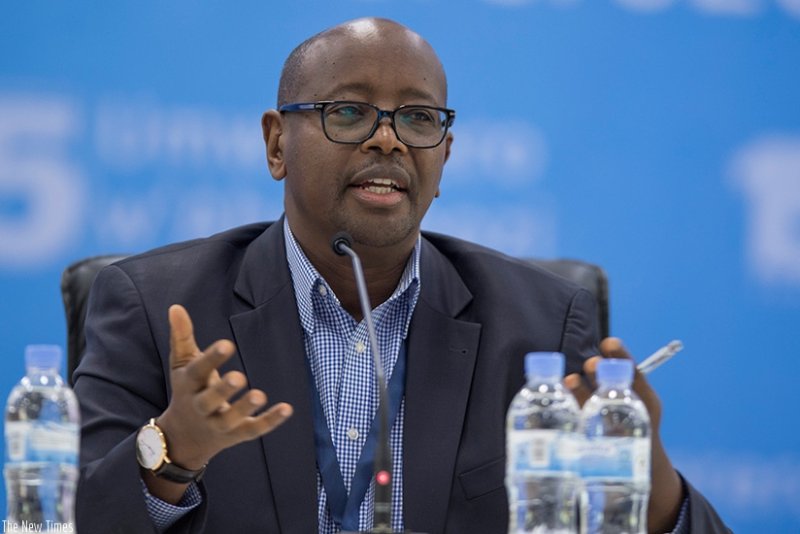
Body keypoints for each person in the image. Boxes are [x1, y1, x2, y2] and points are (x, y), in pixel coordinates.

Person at [74, 17, 730, 534]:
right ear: (277, 144)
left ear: (444, 156)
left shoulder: (542, 326)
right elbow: (64, 519)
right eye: (348, 111)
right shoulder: (154, 308)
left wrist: (647, 473)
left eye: (418, 119)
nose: (387, 140)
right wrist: (173, 453)